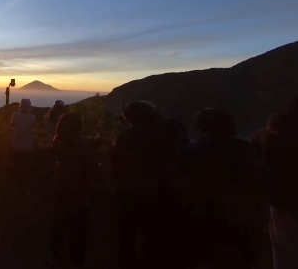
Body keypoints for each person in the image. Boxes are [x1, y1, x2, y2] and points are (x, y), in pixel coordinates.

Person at [168, 108, 269, 269]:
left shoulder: (186, 152)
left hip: (200, 229)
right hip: (241, 229)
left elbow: (174, 189)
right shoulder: (248, 151)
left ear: (200, 128)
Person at [110, 101, 181, 269]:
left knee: (126, 237)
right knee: (153, 237)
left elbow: (115, 162)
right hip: (156, 195)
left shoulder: (125, 136)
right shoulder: (164, 136)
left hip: (127, 195)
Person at [250, 95, 298, 269]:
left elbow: (253, 166)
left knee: (284, 251)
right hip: (282, 200)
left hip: (280, 200)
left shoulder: (264, 135)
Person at [49, 113, 97, 268]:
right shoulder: (81, 149)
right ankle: (76, 261)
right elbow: (90, 169)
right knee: (78, 230)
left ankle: (53, 256)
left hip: (59, 191)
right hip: (78, 195)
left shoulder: (57, 142)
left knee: (58, 225)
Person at [10, 98, 37, 196]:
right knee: (26, 167)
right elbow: (32, 128)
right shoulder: (33, 117)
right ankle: (25, 187)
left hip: (16, 144)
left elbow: (11, 125)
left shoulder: (15, 115)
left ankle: (16, 185)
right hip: (28, 146)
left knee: (16, 165)